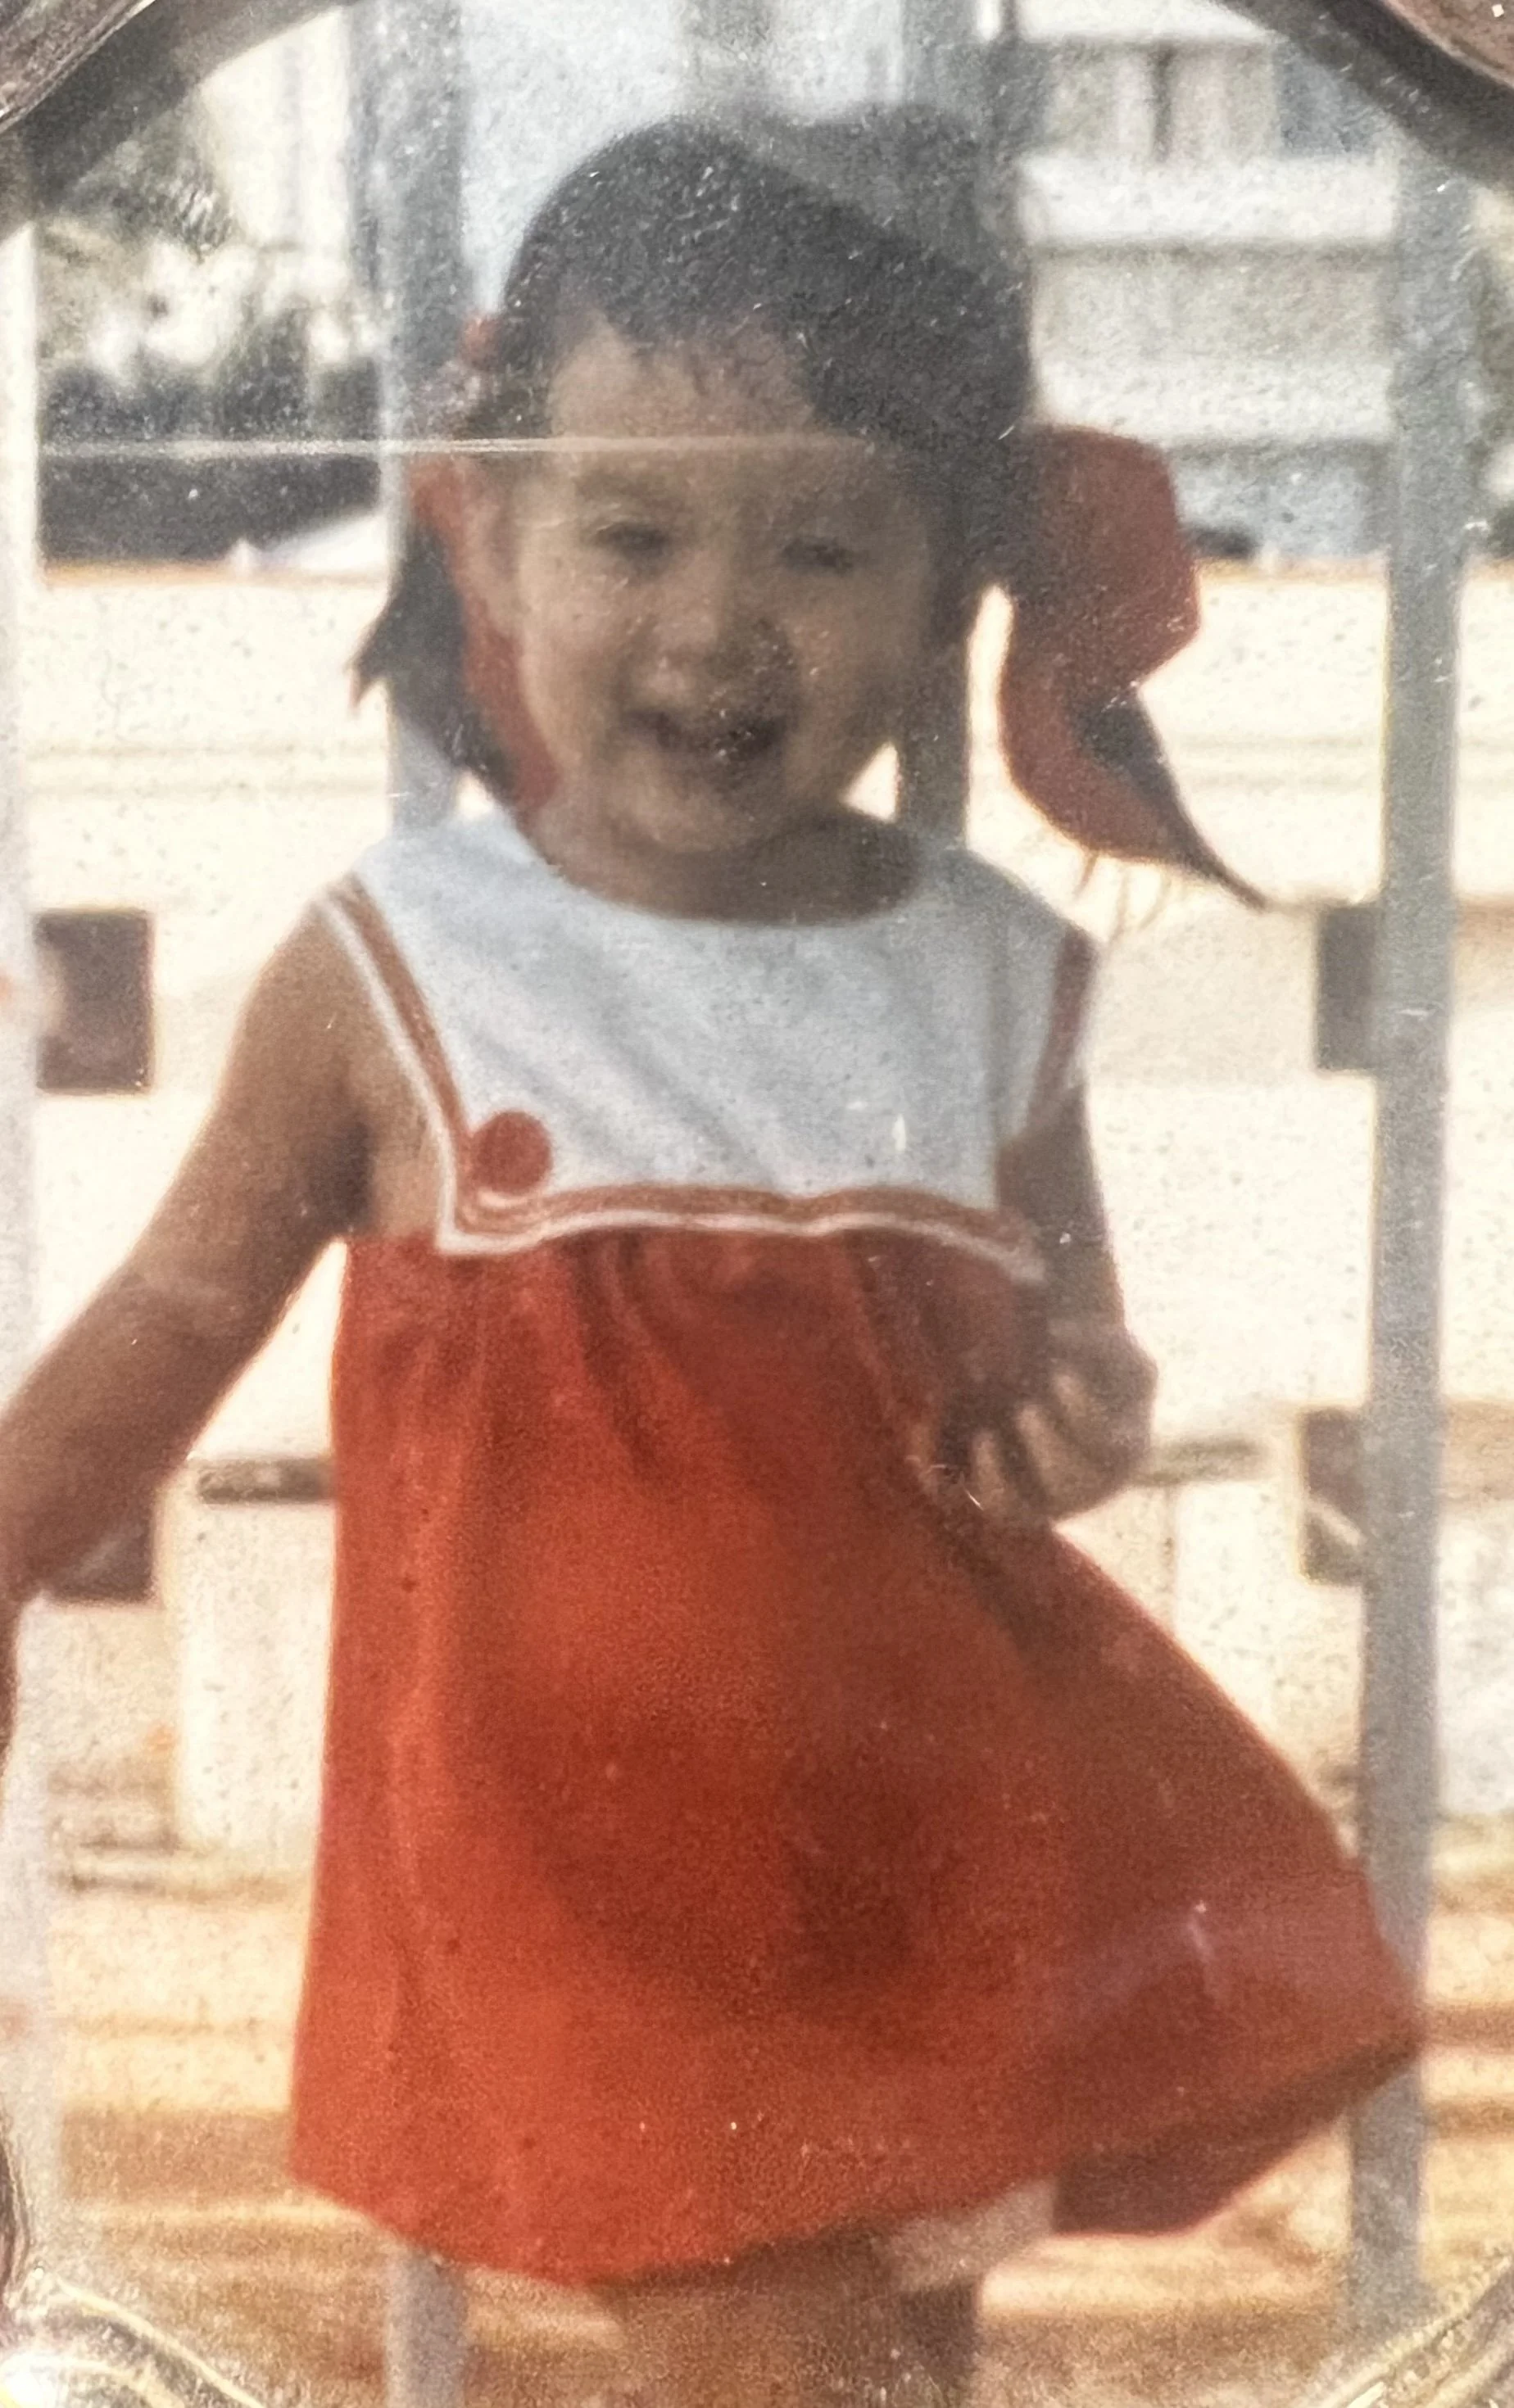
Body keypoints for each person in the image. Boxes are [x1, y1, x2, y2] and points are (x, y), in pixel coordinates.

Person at [0, 118, 1416, 2408]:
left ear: (948, 585)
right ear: (488, 524)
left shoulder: (985, 976)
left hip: (924, 1837)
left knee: (881, 2362)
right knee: (780, 2362)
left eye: (824, 543)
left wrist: (1077, 1410)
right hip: (587, 1863)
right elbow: (178, 1311)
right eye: (634, 531)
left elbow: (1076, 1352)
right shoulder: (407, 968)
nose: (720, 620)